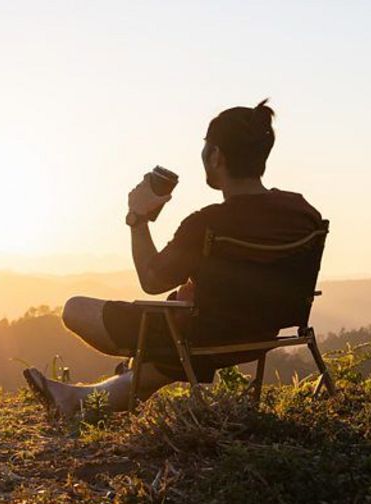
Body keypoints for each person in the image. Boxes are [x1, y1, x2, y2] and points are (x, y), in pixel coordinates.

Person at [24, 99, 323, 417]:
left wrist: (138, 220)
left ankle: (103, 385)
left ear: (216, 155)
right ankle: (78, 398)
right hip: (261, 334)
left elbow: (151, 282)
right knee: (167, 353)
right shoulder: (303, 212)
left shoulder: (206, 224)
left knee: (75, 308)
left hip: (200, 337)